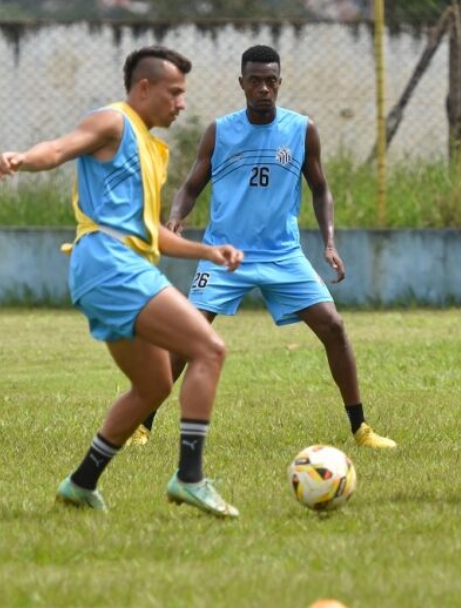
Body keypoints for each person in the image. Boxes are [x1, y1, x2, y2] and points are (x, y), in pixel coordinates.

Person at [0, 46, 244, 518]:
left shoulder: (152, 148)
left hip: (113, 267)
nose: (182, 103)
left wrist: (208, 251)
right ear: (143, 88)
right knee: (209, 349)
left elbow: (151, 237)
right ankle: (190, 477)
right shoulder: (113, 121)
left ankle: (81, 483)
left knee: (153, 386)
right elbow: (62, 148)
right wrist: (22, 158)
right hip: (110, 264)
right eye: (175, 92)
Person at [131, 44, 396, 450]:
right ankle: (141, 425)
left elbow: (320, 189)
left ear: (279, 83)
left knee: (334, 327)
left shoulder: (301, 129)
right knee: (188, 335)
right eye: (255, 81)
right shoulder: (220, 131)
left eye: (271, 81)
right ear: (242, 83)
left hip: (282, 254)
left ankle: (361, 429)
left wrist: (328, 241)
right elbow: (190, 186)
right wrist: (176, 217)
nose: (263, 89)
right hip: (224, 255)